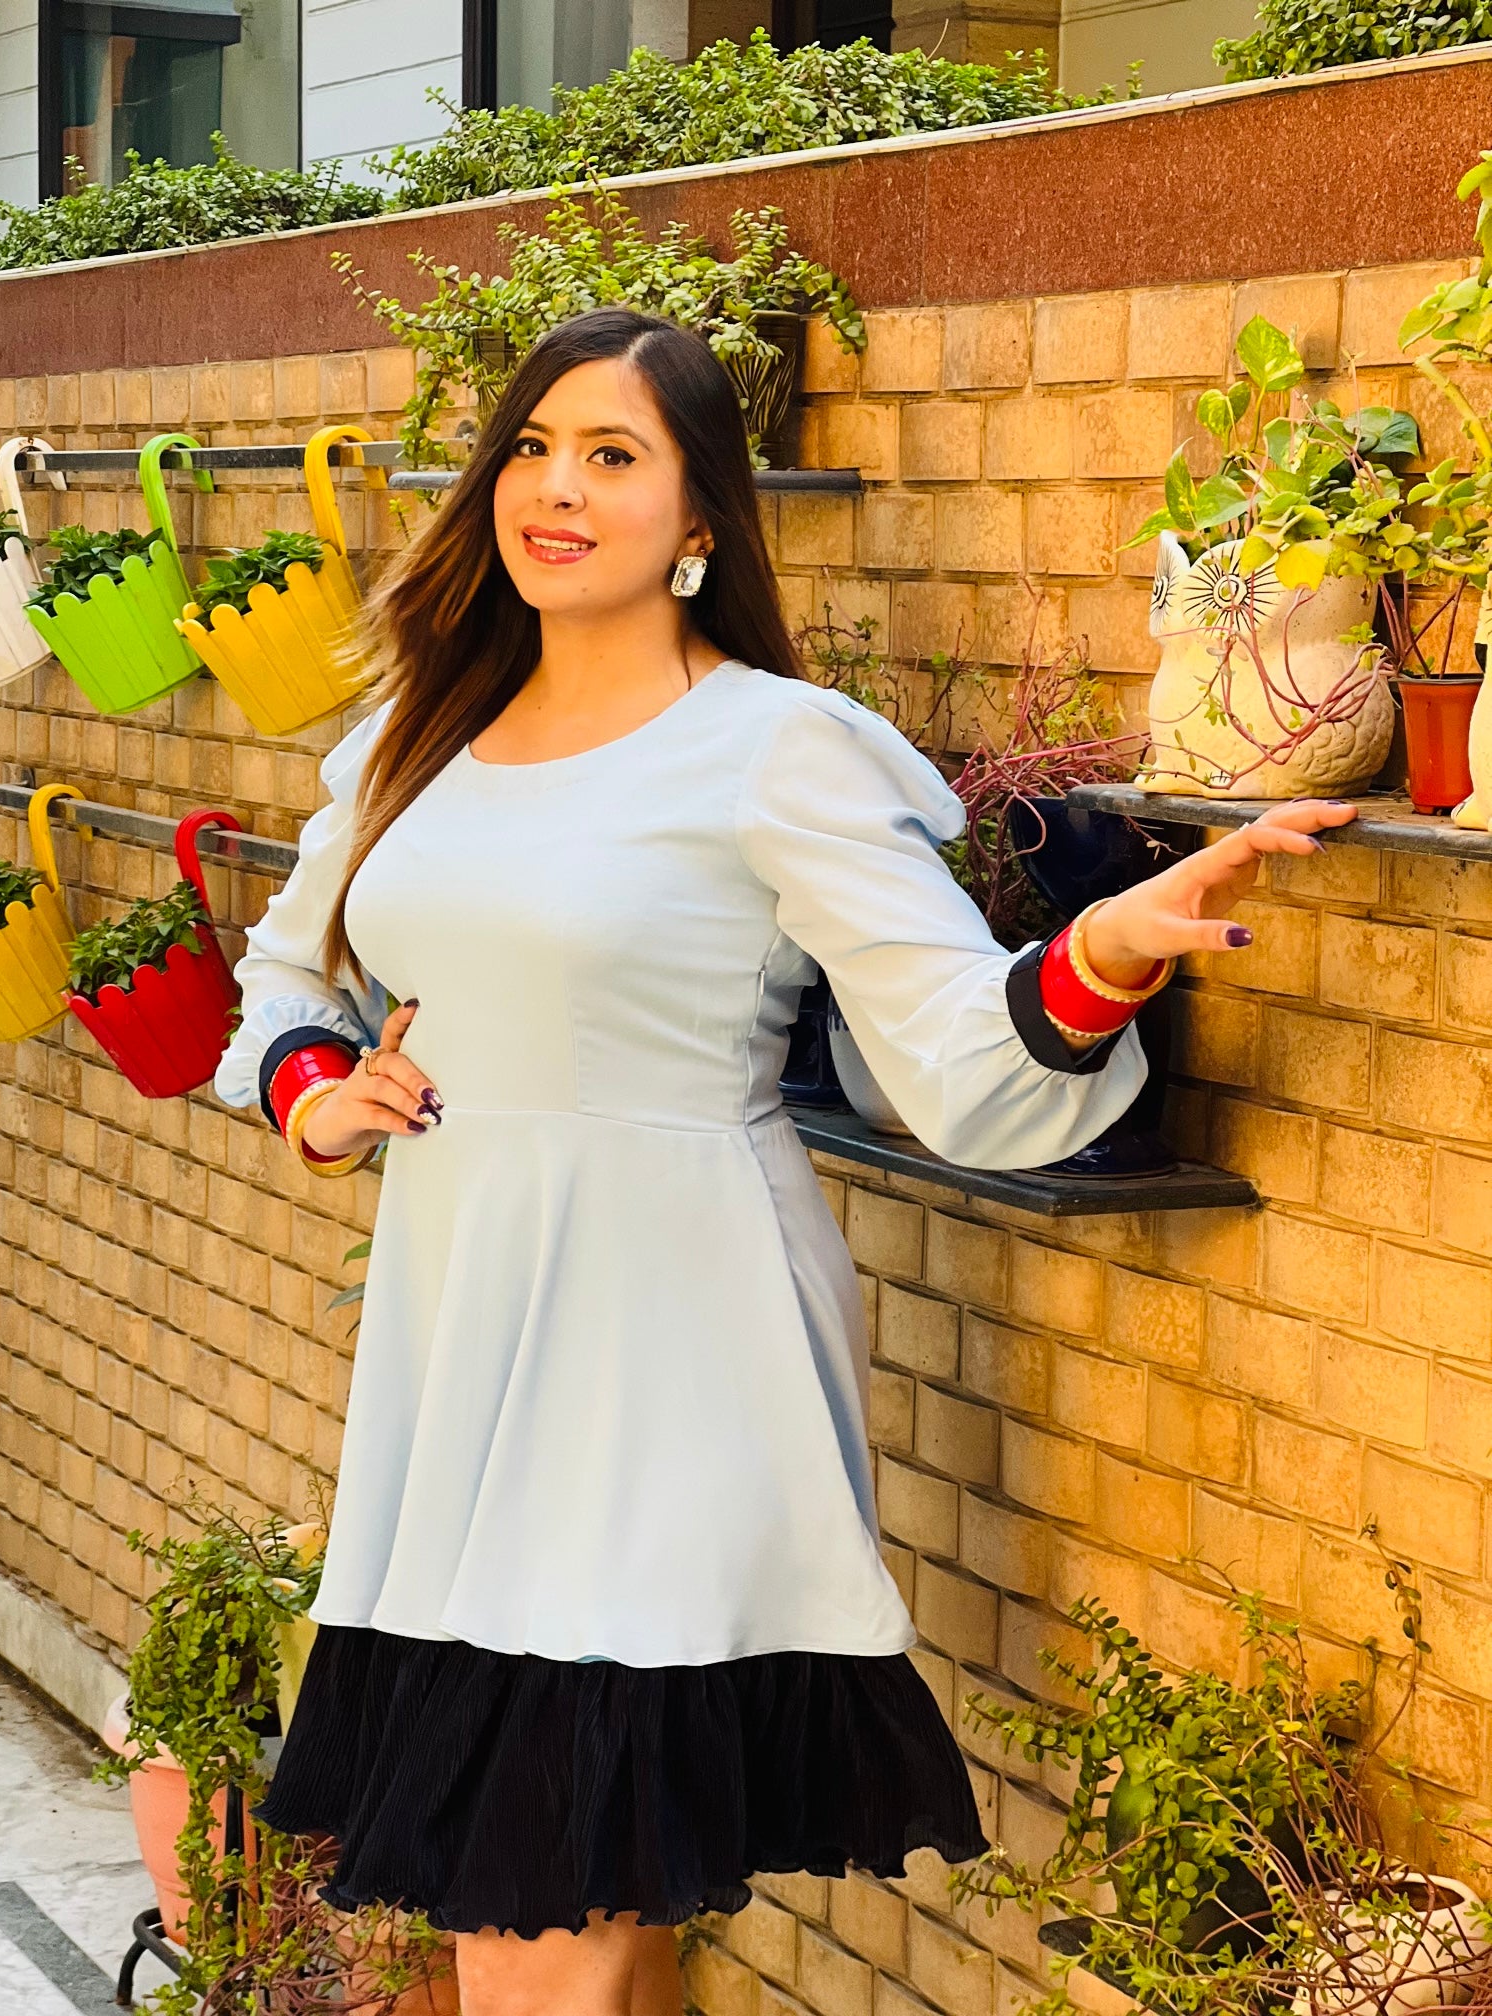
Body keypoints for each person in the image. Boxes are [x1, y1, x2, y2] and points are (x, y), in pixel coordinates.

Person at [213, 306, 1355, 2016]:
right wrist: (312, 1086)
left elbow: (963, 1065)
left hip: (672, 1347)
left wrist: (1105, 951)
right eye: (533, 447)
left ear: (700, 526)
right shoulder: (418, 739)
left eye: (615, 456)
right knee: (572, 1916)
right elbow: (290, 968)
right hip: (460, 1346)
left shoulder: (774, 747)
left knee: (535, 1924)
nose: (557, 489)